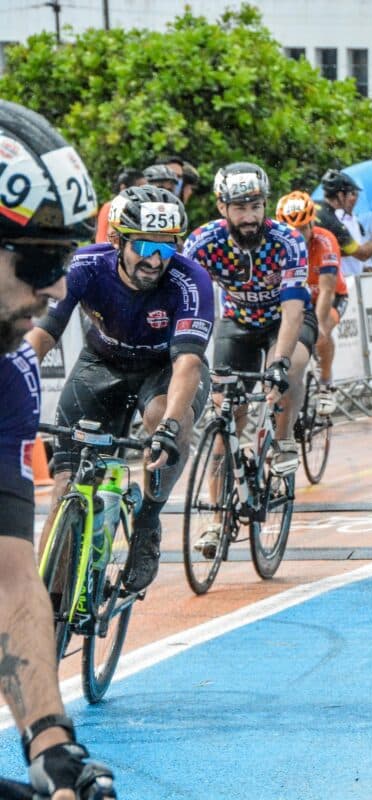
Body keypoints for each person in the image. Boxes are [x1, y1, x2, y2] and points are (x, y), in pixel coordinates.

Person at [0, 98, 117, 800]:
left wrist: (50, 741)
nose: (54, 287)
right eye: (42, 256)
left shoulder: (10, 371)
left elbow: (11, 578)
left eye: (67, 257)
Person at [29, 185, 213, 592]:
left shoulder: (190, 280)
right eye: (144, 246)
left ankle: (148, 522)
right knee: (65, 486)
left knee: (163, 418)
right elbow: (42, 336)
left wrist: (167, 427)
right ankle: (51, 605)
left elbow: (187, 362)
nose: (154, 260)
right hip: (103, 363)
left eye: (166, 249)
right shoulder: (84, 266)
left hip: (164, 368)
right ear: (116, 240)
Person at [183, 162, 314, 539]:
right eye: (240, 208)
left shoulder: (287, 240)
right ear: (222, 208)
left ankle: (284, 439)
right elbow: (192, 304)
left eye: (256, 206)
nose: (250, 216)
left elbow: (293, 310)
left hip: (282, 321)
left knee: (289, 369)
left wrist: (279, 363)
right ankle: (215, 518)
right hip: (237, 323)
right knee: (226, 421)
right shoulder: (203, 243)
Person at [276, 190, 347, 415]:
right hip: (294, 298)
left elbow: (327, 290)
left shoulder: (326, 240)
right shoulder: (276, 244)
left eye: (303, 229)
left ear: (311, 224)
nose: (298, 234)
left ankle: (326, 384)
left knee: (322, 332)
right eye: (292, 230)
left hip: (330, 296)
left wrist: (318, 325)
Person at [314, 169, 372, 275]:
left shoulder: (314, 207)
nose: (354, 198)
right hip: (338, 279)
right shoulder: (334, 222)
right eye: (351, 193)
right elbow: (363, 254)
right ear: (341, 195)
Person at [93, 167, 145, 244]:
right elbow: (102, 240)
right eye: (140, 187)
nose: (144, 191)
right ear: (123, 187)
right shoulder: (113, 206)